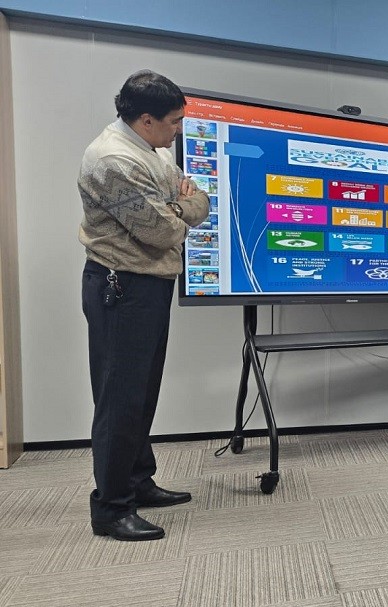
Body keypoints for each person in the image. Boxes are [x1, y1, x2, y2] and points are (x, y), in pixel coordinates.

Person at [78, 70, 210, 541]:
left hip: (150, 284)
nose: (179, 130)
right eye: (174, 122)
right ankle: (111, 508)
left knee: (142, 392)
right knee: (119, 399)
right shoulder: (113, 160)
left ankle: (137, 482)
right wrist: (179, 209)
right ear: (146, 119)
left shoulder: (154, 149)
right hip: (122, 286)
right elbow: (162, 232)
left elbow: (200, 201)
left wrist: (178, 208)